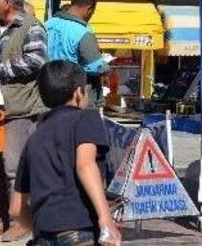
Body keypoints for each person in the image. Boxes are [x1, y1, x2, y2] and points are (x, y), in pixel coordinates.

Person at [10, 60, 121, 246]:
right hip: (80, 229)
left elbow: (15, 209)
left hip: (43, 235)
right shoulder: (85, 118)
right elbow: (85, 165)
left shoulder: (34, 138)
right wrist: (105, 219)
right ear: (79, 92)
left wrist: (42, 231)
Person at [0, 0, 47, 241]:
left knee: (14, 167)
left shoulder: (31, 28)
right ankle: (2, 217)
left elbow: (36, 60)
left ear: (7, 2)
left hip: (19, 109)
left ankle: (22, 220)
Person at [45, 0, 109, 109]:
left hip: (48, 90)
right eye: (92, 12)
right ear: (89, 8)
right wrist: (106, 66)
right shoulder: (83, 32)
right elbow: (96, 67)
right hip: (74, 95)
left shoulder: (47, 25)